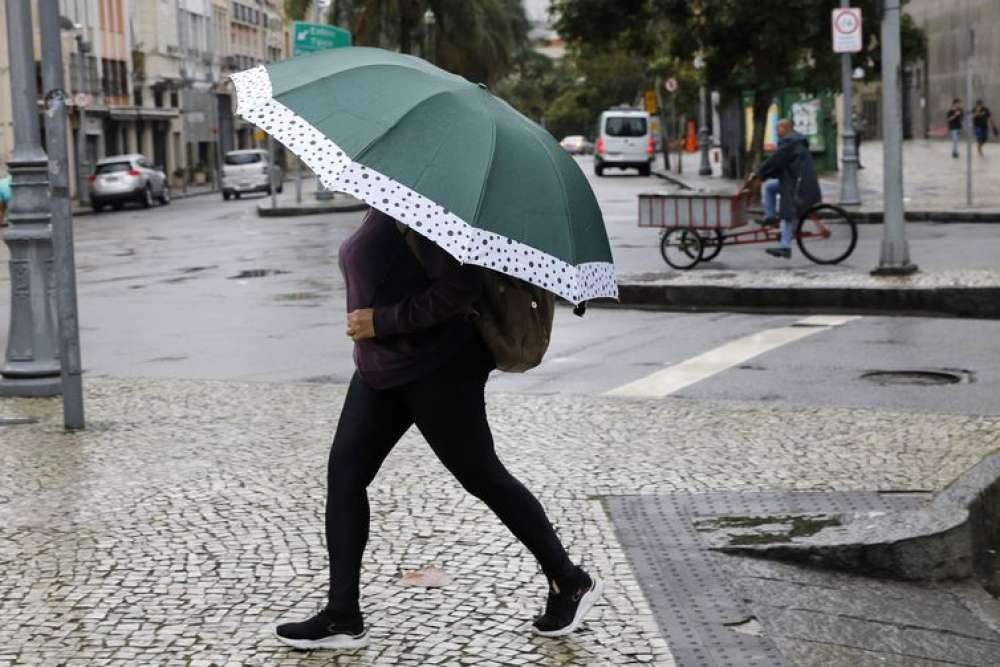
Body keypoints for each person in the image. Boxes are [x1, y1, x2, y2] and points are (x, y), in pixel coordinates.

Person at [273, 208, 603, 651]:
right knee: (346, 476)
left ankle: (569, 580)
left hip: (437, 368)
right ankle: (341, 615)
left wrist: (382, 321)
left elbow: (458, 288)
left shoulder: (423, 212)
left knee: (482, 476)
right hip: (380, 367)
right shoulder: (386, 206)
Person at [747, 118, 821, 259]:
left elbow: (775, 160)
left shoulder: (789, 142)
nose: (776, 131)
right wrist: (763, 176)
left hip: (797, 184)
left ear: (785, 128)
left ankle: (785, 247)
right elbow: (781, 165)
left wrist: (759, 174)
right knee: (770, 188)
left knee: (788, 212)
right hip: (797, 180)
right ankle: (770, 217)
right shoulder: (794, 141)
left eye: (778, 128)